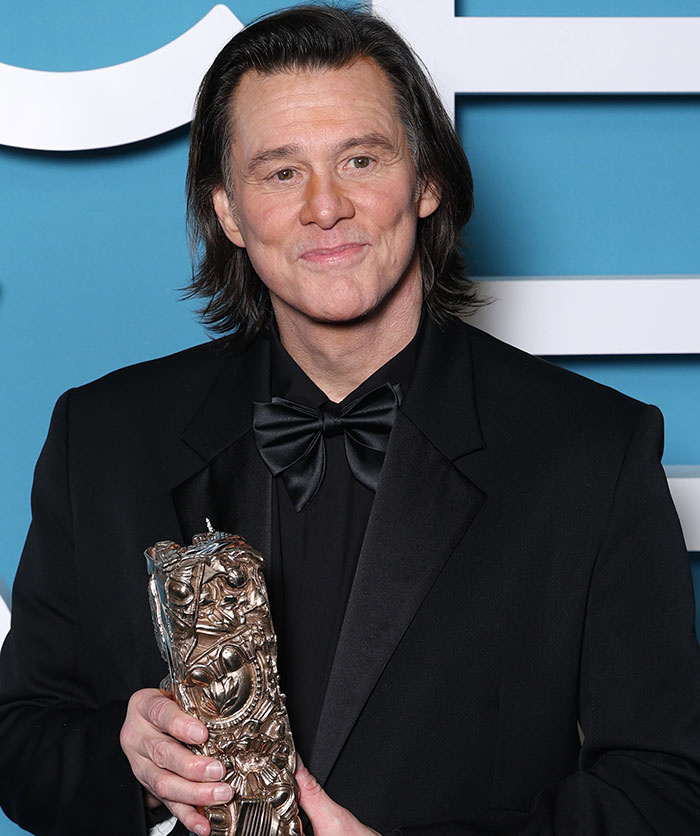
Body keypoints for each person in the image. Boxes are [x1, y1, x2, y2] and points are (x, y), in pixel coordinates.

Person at [1, 5, 700, 836]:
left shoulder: (591, 451)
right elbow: (21, 741)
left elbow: (665, 788)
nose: (325, 208)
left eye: (360, 159)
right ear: (229, 212)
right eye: (280, 171)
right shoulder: (105, 437)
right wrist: (137, 767)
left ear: (427, 181)